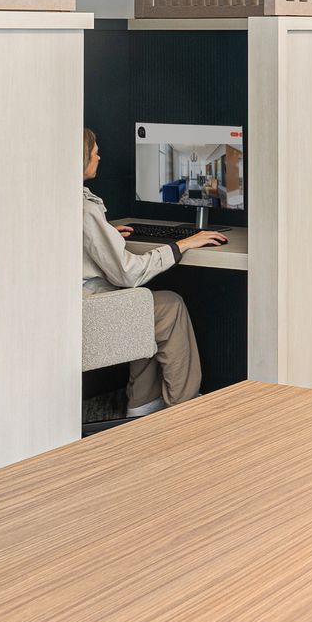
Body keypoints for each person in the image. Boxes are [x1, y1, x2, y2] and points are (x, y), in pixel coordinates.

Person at [81, 127, 226, 417]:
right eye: (94, 151)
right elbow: (129, 275)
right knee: (168, 306)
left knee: (144, 306)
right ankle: (185, 408)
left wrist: (106, 236)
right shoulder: (84, 209)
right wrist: (182, 244)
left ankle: (142, 404)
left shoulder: (57, 201)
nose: (99, 155)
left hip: (74, 310)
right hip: (88, 316)